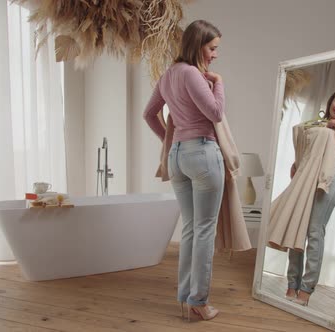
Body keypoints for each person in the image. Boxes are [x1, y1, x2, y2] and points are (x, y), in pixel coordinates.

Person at [143, 20, 225, 321]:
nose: (215, 55)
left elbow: (149, 114)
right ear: (197, 45)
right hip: (202, 153)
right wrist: (219, 83)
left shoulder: (168, 74)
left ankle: (185, 297)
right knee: (204, 230)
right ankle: (199, 302)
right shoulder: (192, 73)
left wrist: (171, 136)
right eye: (212, 48)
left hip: (177, 156)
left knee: (191, 228)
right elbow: (215, 113)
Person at [285, 89, 335, 306]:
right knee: (296, 230)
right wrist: (296, 164)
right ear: (331, 101)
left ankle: (307, 289)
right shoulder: (316, 123)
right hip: (305, 180)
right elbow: (304, 146)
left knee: (314, 234)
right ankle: (291, 284)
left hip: (327, 184)